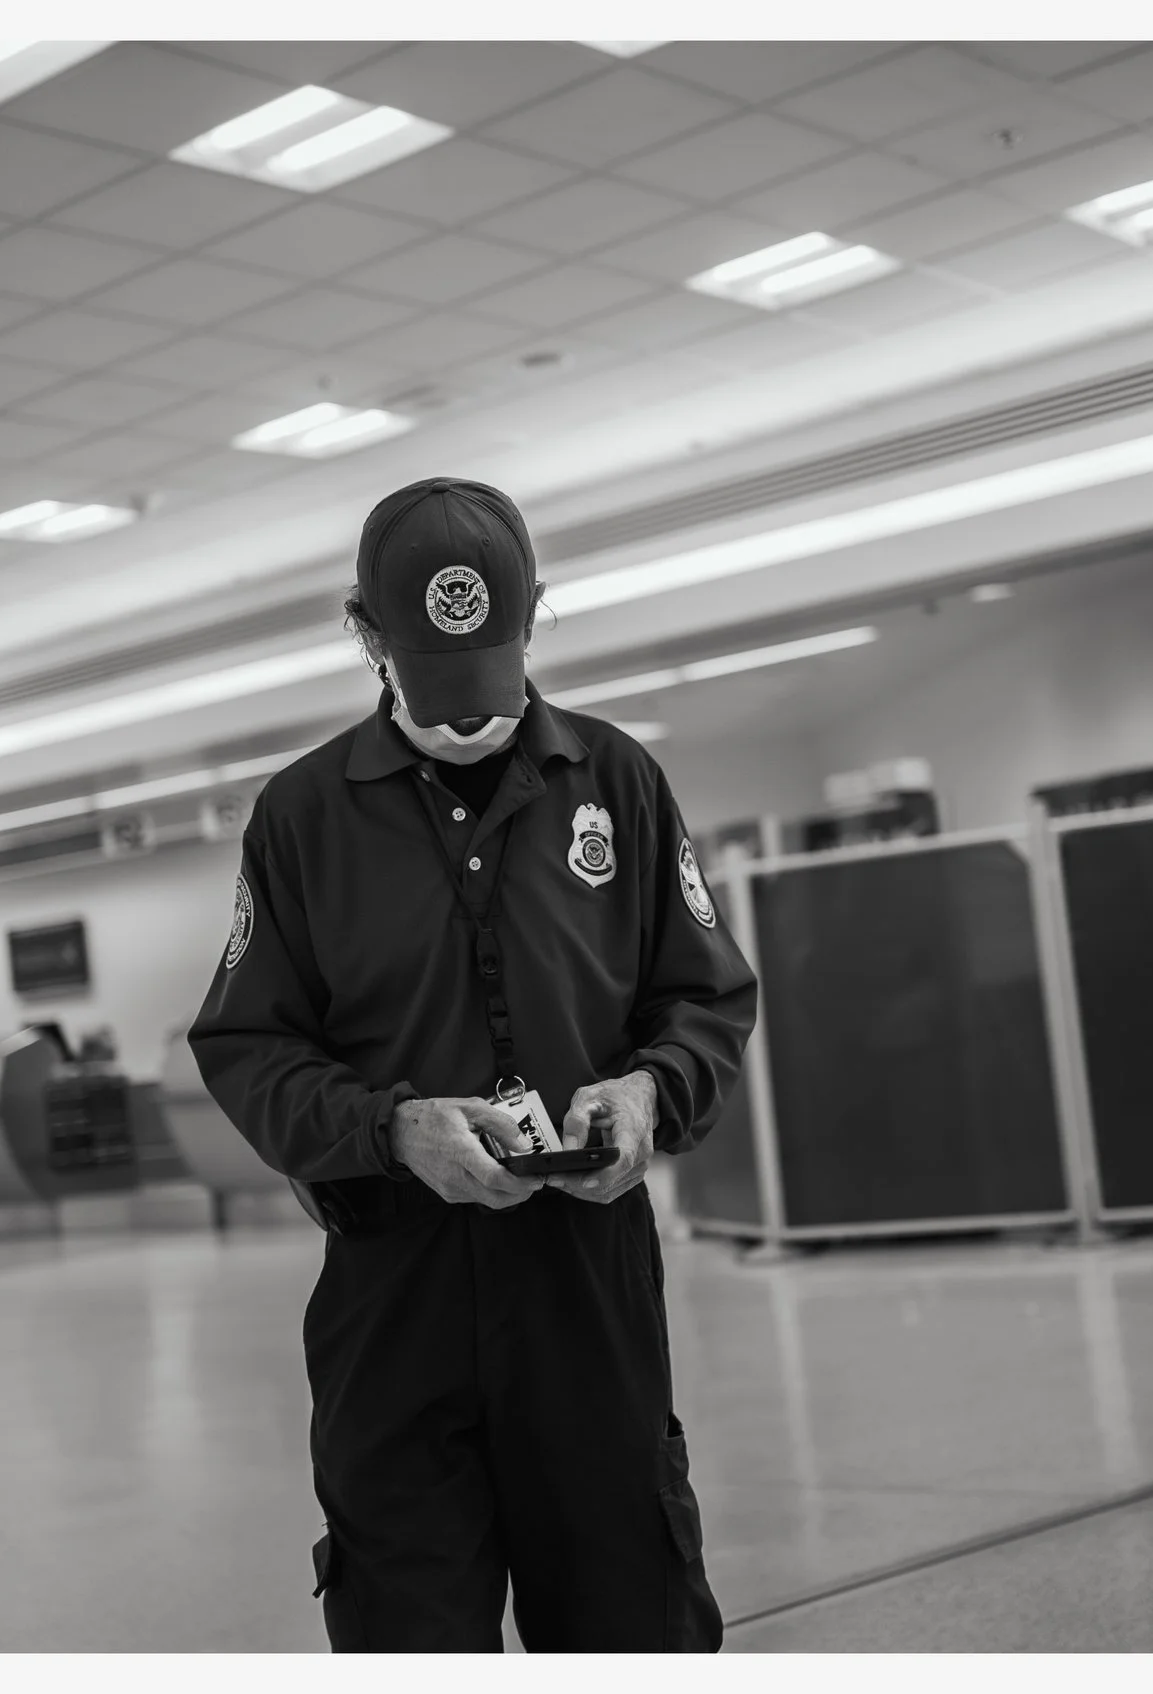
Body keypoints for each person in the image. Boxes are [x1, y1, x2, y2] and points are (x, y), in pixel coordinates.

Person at [187, 476, 758, 1652]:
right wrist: (389, 1129)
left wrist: (648, 1091)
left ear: (535, 611)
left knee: (625, 1603)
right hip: (394, 1277)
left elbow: (706, 997)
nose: (465, 723)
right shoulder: (301, 816)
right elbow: (248, 1045)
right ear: (364, 631)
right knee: (408, 1614)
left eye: (487, 679)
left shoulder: (616, 779)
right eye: (435, 684)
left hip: (584, 1271)